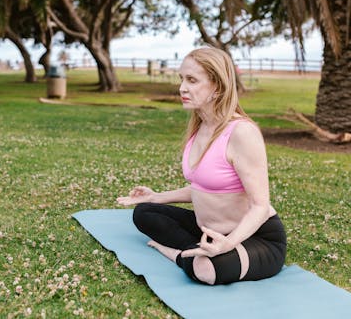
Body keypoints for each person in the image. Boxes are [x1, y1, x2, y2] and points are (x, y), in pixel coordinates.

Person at [117, 47, 286, 285]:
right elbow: (206, 188)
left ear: (217, 86)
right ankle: (196, 251)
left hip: (255, 237)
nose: (182, 88)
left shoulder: (242, 132)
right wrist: (156, 197)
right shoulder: (200, 127)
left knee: (207, 271)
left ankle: (178, 255)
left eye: (192, 80)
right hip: (209, 232)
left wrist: (228, 244)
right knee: (144, 212)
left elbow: (260, 206)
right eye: (182, 79)